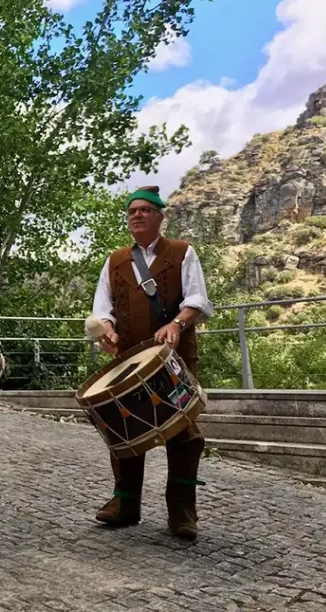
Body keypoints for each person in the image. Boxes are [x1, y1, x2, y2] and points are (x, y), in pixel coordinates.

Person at [89, 185, 214, 540]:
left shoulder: (182, 252)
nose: (137, 215)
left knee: (184, 433)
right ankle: (125, 502)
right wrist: (107, 332)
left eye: (145, 210)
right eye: (133, 211)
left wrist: (177, 324)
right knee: (124, 427)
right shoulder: (115, 261)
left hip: (173, 359)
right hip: (129, 362)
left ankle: (182, 510)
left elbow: (198, 299)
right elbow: (102, 309)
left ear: (160, 216)